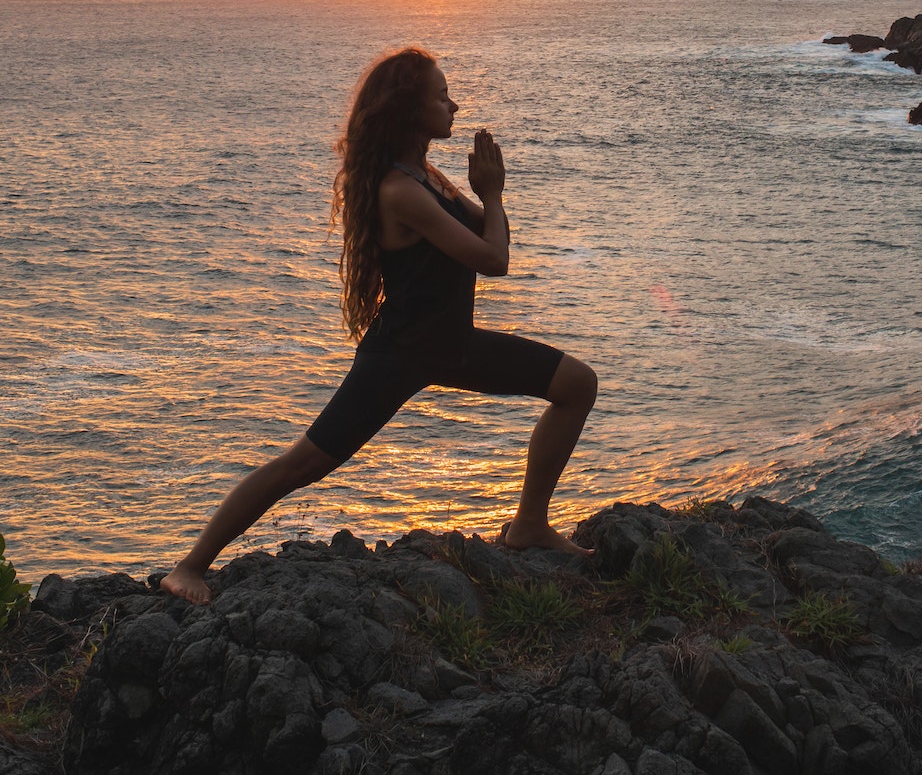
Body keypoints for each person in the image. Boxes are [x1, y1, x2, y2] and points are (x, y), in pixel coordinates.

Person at [161, 47, 599, 603]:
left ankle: (529, 525)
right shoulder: (401, 191)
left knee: (576, 384)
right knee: (306, 463)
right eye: (441, 96)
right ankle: (189, 566)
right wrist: (490, 192)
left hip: (453, 345)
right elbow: (493, 260)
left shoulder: (428, 177)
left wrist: (492, 197)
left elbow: (496, 243)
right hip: (402, 352)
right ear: (408, 108)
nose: (454, 104)